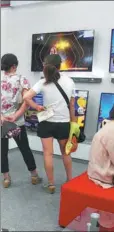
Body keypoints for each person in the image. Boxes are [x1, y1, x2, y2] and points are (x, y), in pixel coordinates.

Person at [23, 54, 77, 193]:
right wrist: (73, 124)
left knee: (48, 154)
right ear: (60, 65)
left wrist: (36, 107)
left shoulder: (42, 82)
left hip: (46, 122)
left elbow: (26, 97)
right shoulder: (70, 81)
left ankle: (51, 184)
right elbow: (72, 105)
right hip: (63, 123)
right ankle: (70, 181)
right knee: (66, 154)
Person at [1, 53, 42, 188]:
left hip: (1, 122)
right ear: (14, 66)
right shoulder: (21, 80)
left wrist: (1, 116)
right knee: (24, 148)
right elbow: (27, 101)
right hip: (16, 122)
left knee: (2, 151)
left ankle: (6, 178)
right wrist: (16, 114)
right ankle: (34, 175)